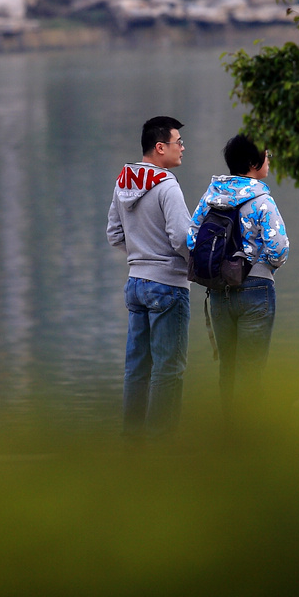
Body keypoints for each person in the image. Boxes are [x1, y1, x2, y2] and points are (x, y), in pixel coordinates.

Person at [187, 134, 289, 424]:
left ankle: (229, 438)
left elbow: (192, 239)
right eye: (267, 156)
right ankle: (251, 441)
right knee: (251, 370)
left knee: (227, 370)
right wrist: (263, 265)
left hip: (219, 292)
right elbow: (279, 250)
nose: (269, 161)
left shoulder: (210, 197)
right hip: (256, 290)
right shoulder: (262, 200)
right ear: (253, 163)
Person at [106, 116, 192, 440]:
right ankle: (161, 446)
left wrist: (140, 251)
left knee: (137, 369)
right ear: (160, 148)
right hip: (168, 286)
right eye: (178, 142)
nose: (182, 148)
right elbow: (183, 238)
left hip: (135, 285)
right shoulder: (167, 186)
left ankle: (133, 444)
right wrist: (193, 264)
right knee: (169, 369)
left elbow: (114, 234)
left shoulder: (122, 182)